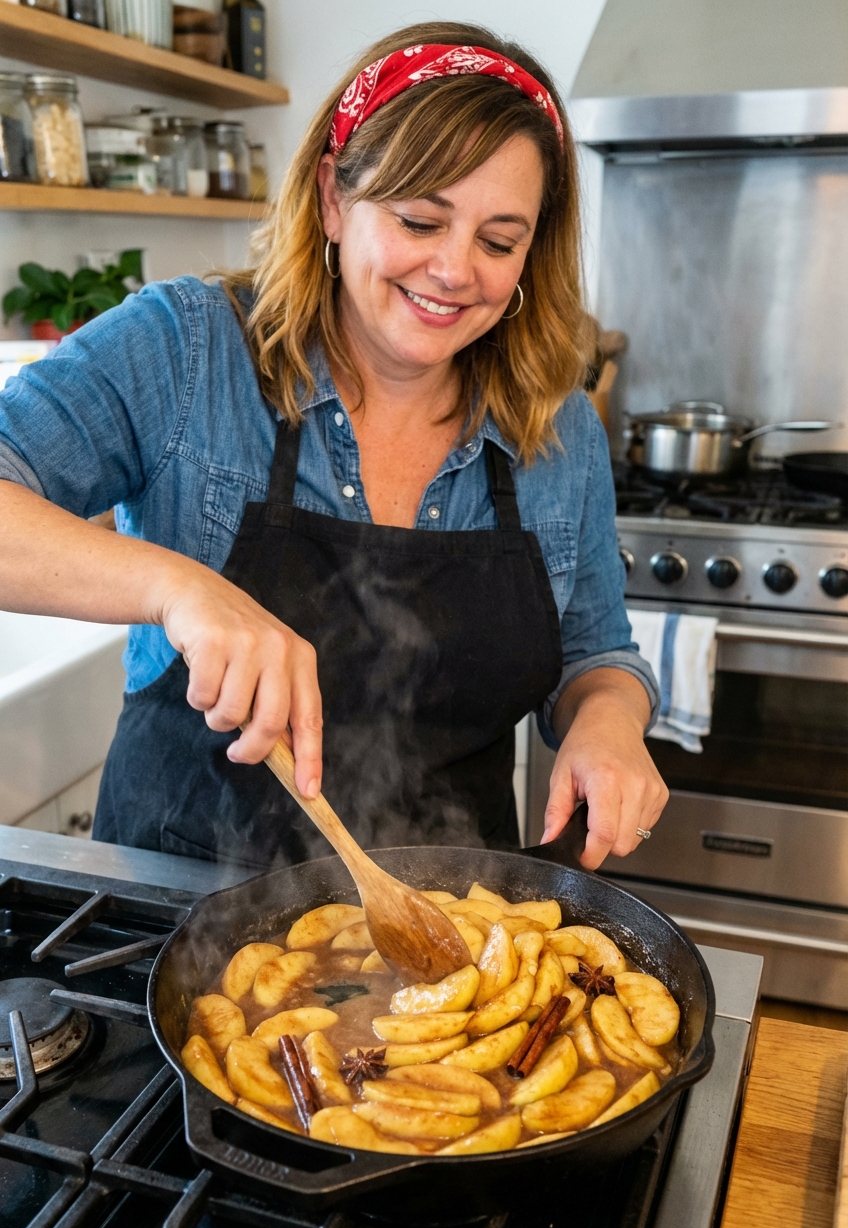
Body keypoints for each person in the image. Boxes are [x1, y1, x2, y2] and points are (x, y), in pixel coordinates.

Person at [0, 22, 667, 871]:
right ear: (332, 199)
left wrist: (609, 719)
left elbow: (595, 651)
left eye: (499, 241)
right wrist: (180, 590)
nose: (457, 270)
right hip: (176, 921)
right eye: (421, 220)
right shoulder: (187, 349)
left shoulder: (558, 425)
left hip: (457, 927)